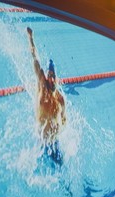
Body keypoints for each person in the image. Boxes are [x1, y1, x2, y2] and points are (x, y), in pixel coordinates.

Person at [27, 27, 66, 165]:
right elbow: (35, 58)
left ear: (56, 77)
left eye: (53, 76)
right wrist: (31, 38)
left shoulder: (61, 99)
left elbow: (64, 120)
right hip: (41, 143)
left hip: (55, 142)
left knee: (61, 166)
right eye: (49, 76)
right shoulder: (42, 85)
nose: (51, 79)